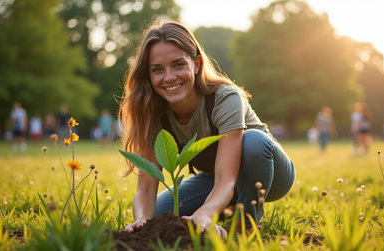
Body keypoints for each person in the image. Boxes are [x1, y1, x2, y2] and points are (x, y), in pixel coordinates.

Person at [120, 21, 295, 237]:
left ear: (196, 64)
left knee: (253, 141)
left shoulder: (224, 98)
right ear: (149, 75)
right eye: (157, 70)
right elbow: (146, 188)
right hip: (217, 179)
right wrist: (142, 220)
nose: (169, 77)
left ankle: (247, 222)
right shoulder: (152, 112)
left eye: (178, 65)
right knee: (158, 215)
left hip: (269, 174)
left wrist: (205, 212)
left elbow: (226, 179)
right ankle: (226, 209)